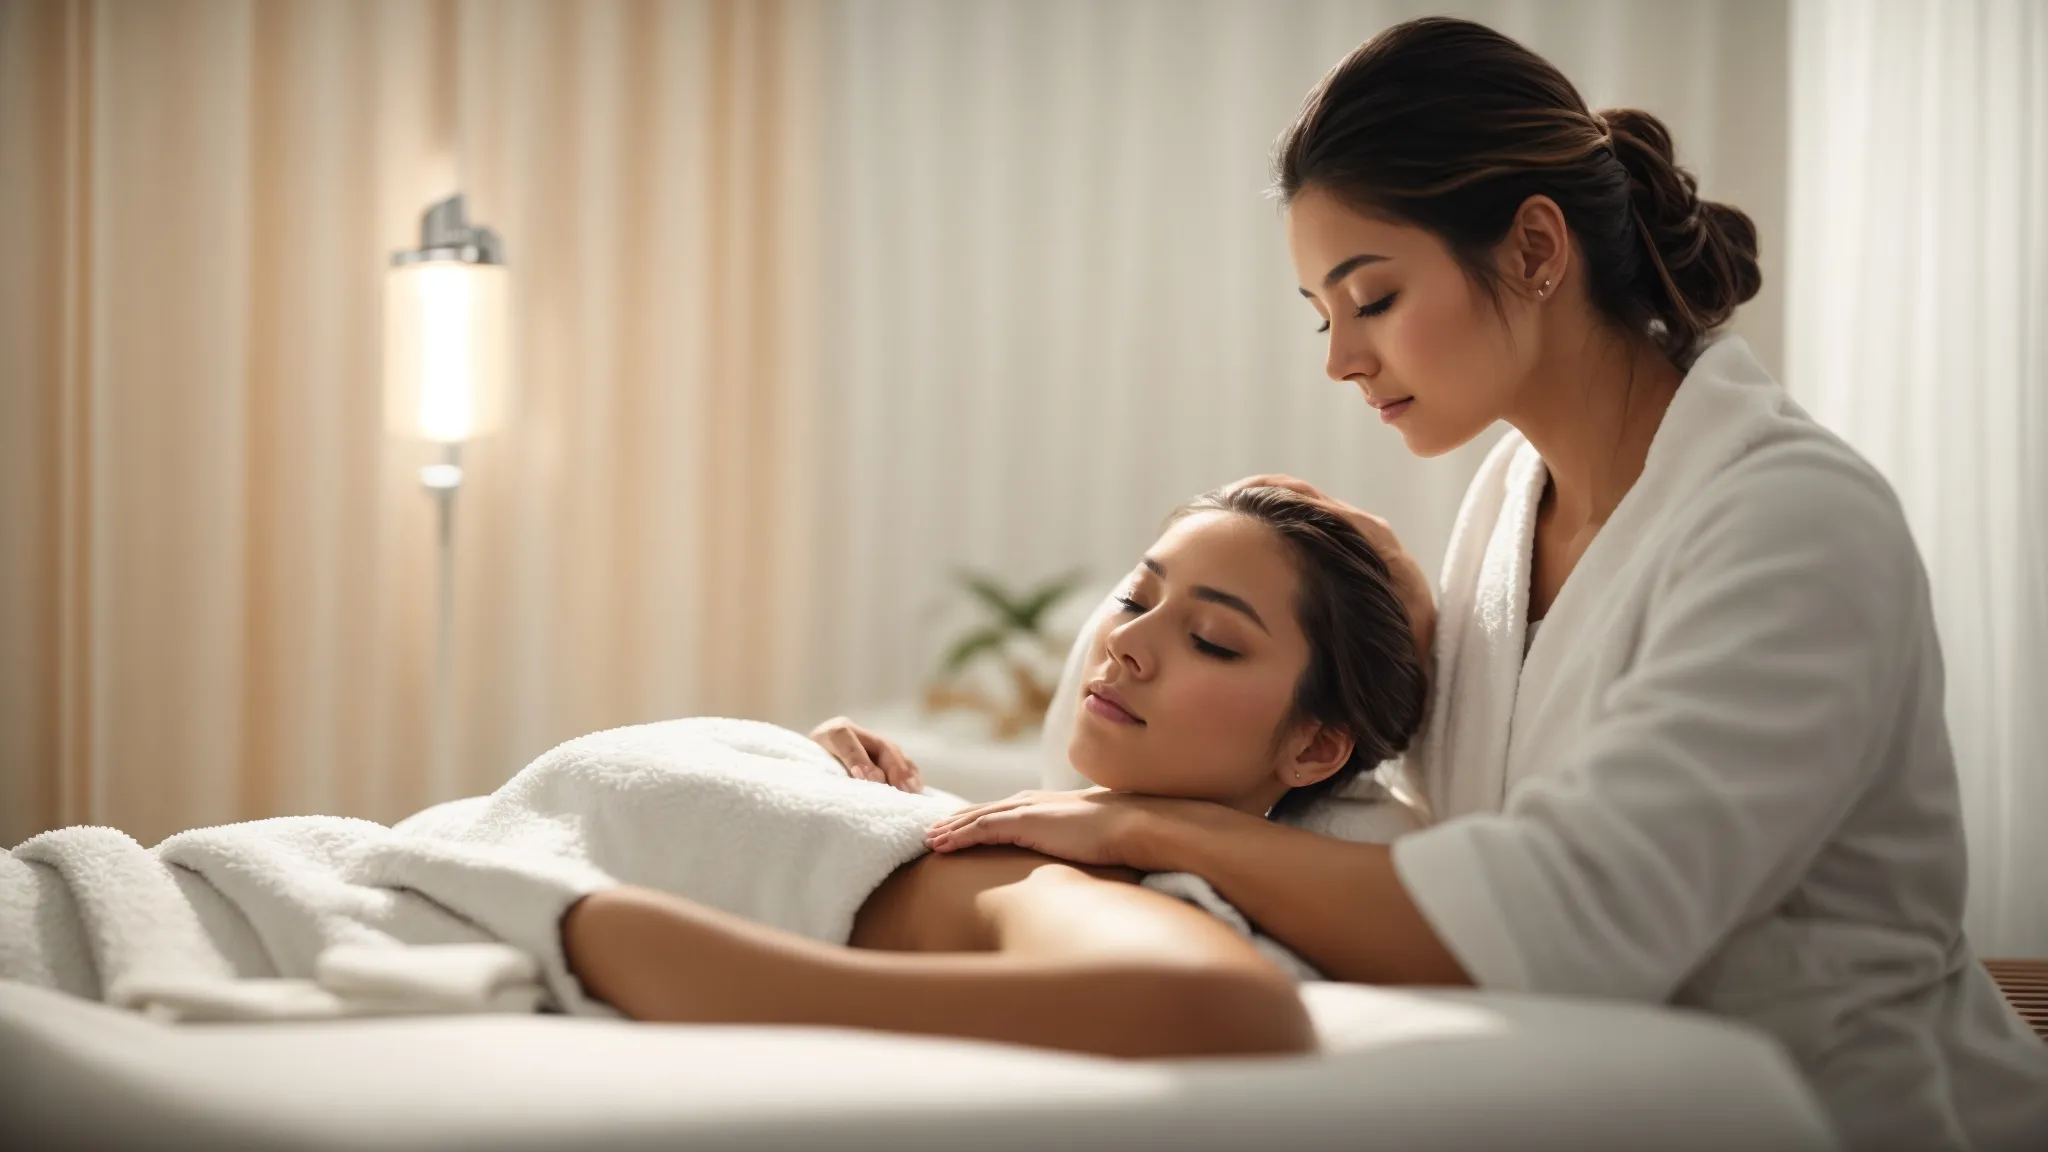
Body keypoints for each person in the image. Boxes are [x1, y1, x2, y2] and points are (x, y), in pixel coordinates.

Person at [922, 16, 2048, 1152]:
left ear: (1533, 249)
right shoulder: (1511, 499)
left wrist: (1151, 829)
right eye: (1323, 315)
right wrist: (1393, 620)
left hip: (1842, 1116)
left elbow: (1566, 916)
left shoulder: (1792, 525)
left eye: (1371, 299)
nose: (1340, 359)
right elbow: (1465, 812)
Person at [560, 484, 1426, 1059]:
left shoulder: (1095, 879)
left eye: (1210, 640)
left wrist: (732, 981)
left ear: (1314, 748)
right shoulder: (1044, 837)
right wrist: (814, 775)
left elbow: (1229, 1011)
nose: (1123, 642)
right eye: (1136, 599)